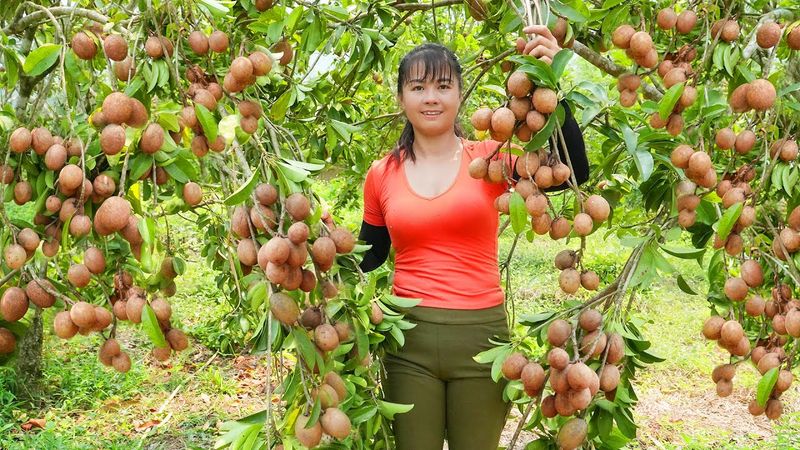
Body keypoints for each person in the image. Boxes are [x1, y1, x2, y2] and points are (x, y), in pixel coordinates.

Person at [357, 26, 588, 450]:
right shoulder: (381, 174)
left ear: (459, 95)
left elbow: (572, 172)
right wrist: (316, 243)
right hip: (407, 341)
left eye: (443, 86)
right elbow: (370, 256)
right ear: (401, 97)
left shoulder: (490, 161)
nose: (431, 97)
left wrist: (550, 75)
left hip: (483, 340)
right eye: (418, 86)